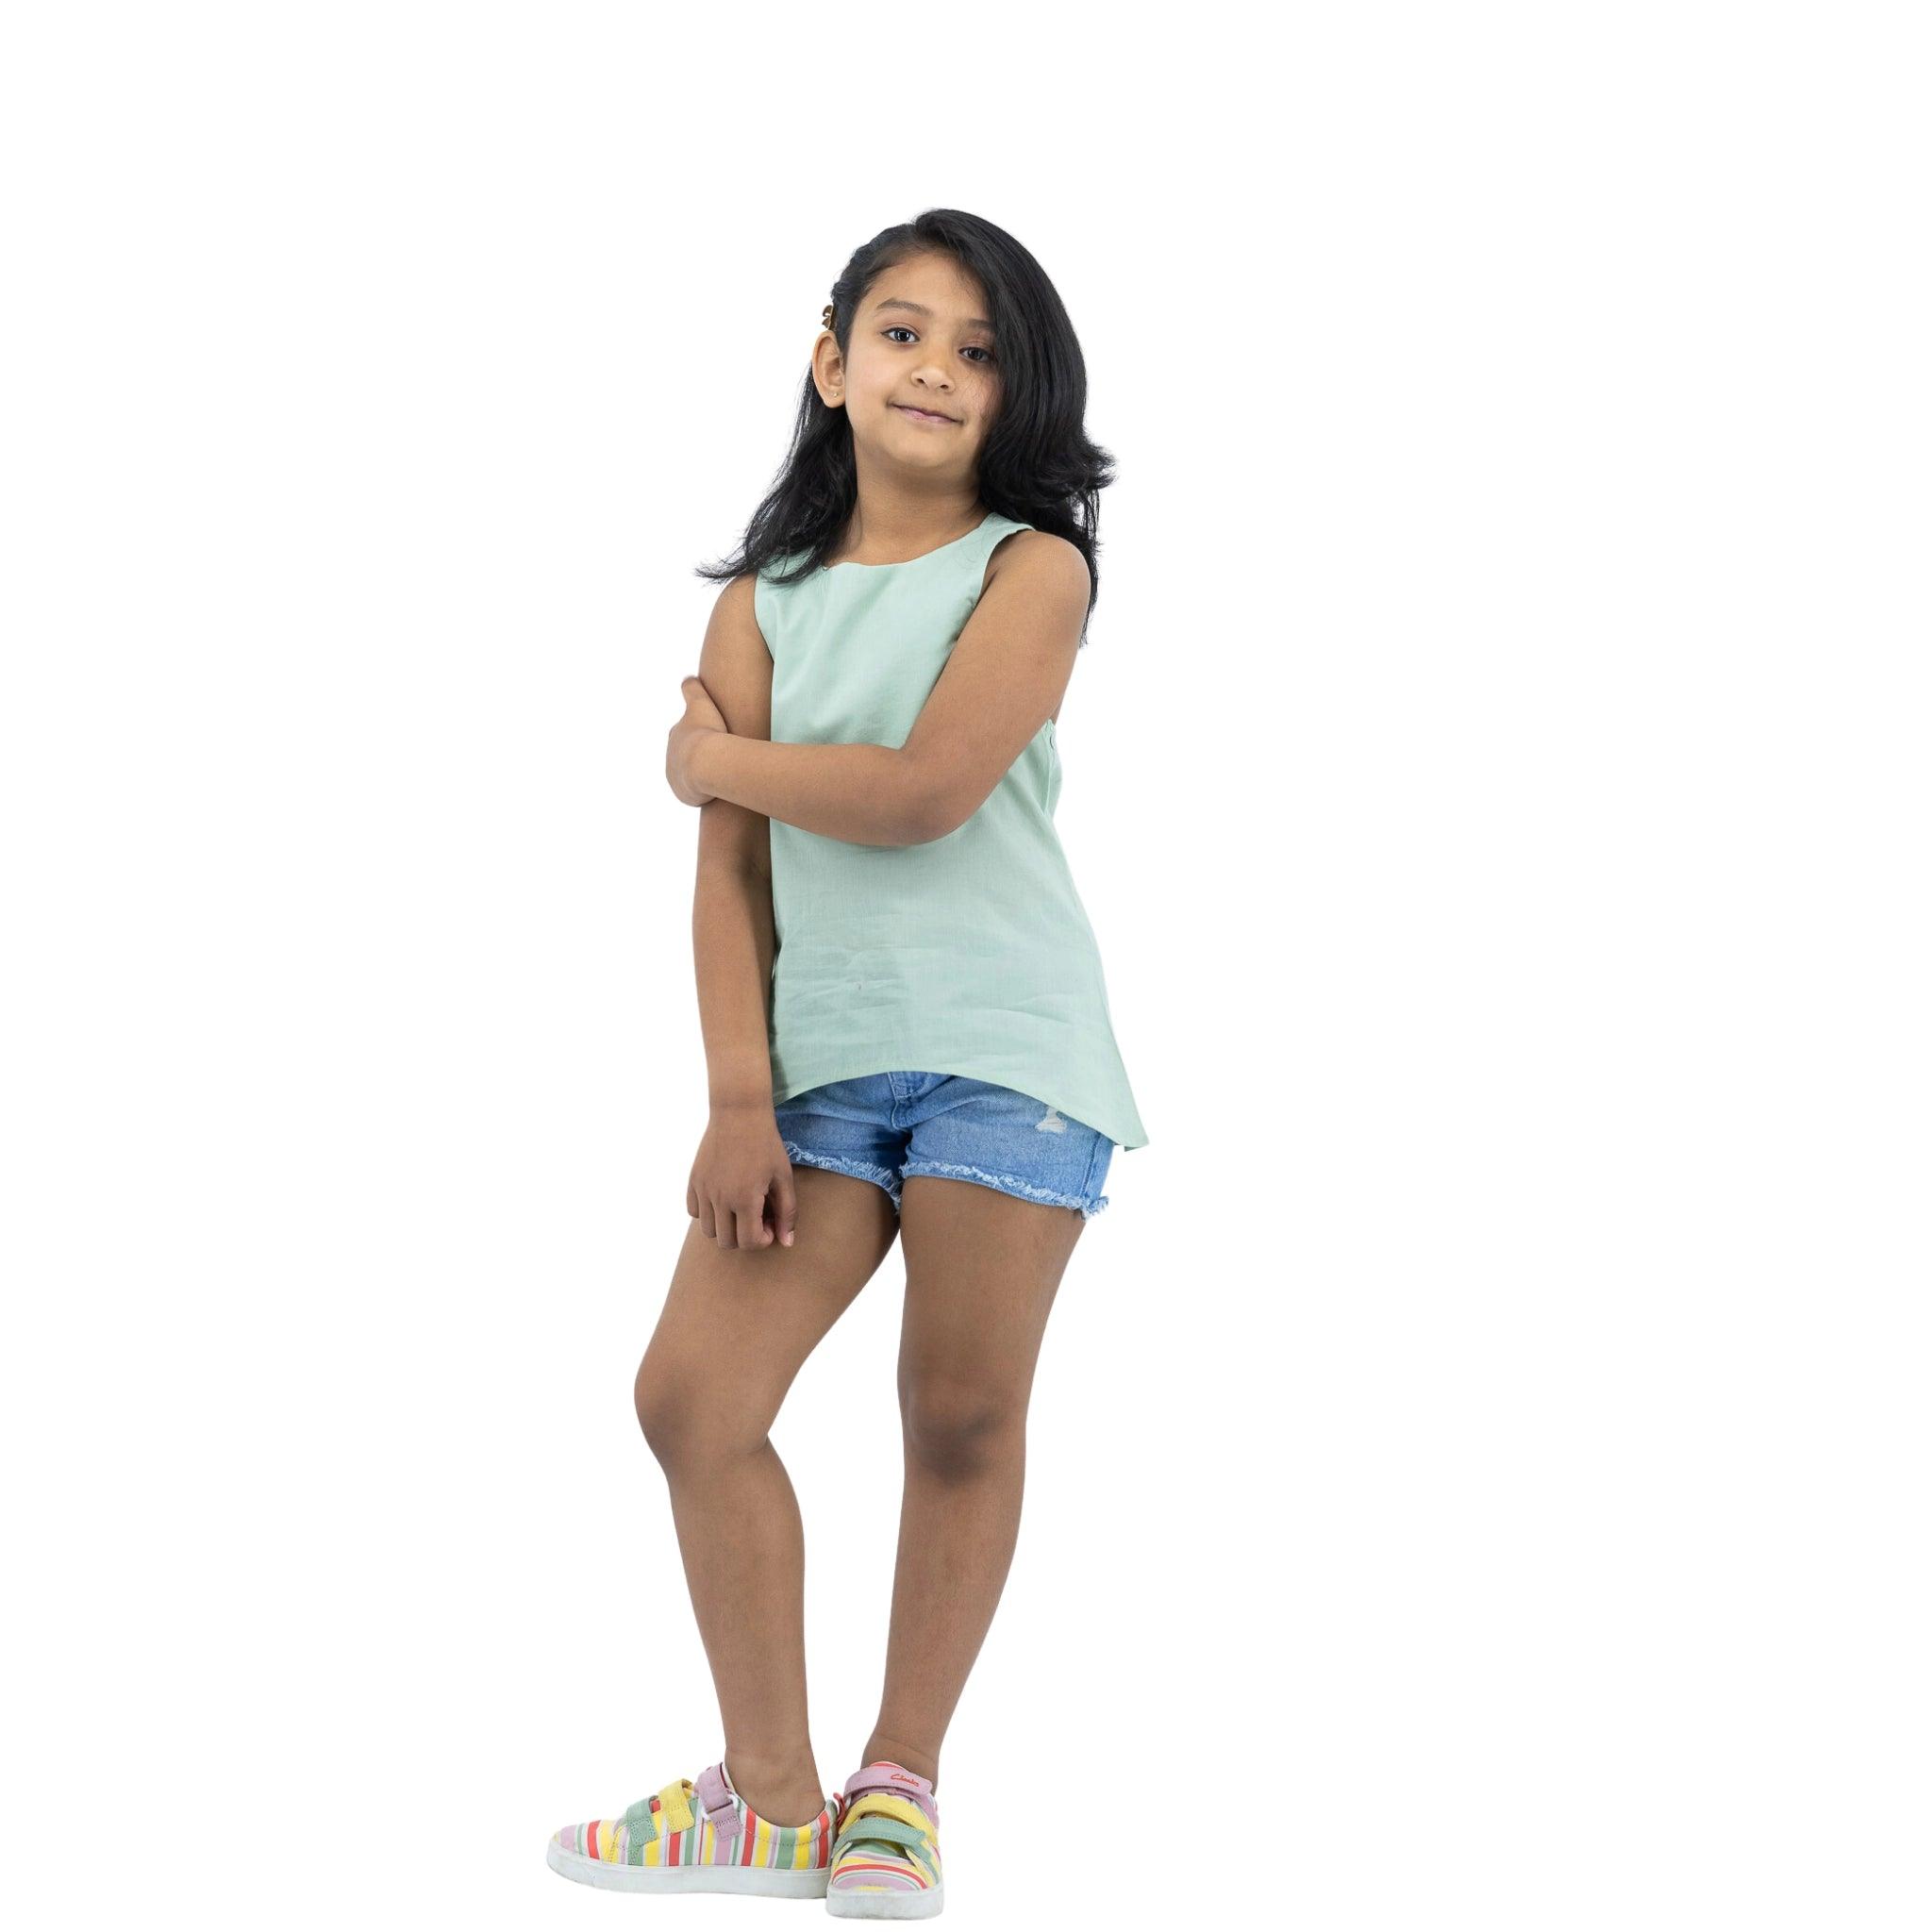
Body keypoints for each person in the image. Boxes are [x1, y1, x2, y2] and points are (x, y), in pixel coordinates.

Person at [546, 209, 1148, 1918]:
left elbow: (926, 792)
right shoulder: (759, 605)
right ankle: (771, 1793)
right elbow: (730, 879)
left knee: (957, 1411)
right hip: (813, 1077)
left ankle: (900, 1785)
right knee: (692, 1399)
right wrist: (738, 1096)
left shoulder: (1035, 570)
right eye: (903, 333)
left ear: (1018, 393)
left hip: (1010, 1050)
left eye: (978, 350)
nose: (938, 369)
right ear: (832, 363)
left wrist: (712, 762)